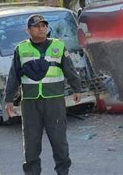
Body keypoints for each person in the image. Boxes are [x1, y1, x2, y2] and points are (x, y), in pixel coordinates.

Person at [5, 14, 82, 175]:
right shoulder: (21, 49)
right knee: (31, 144)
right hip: (30, 103)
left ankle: (63, 172)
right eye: (36, 26)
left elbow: (69, 69)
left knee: (59, 141)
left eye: (43, 25)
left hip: (54, 101)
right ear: (28, 30)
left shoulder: (58, 46)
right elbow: (13, 76)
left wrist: (77, 88)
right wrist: (9, 100)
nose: (41, 28)